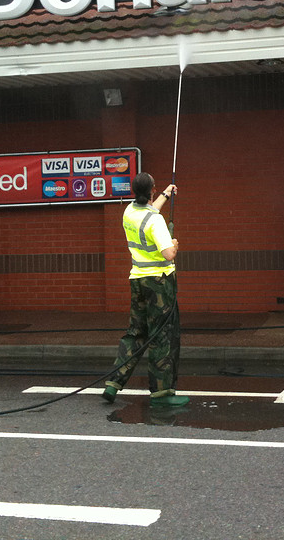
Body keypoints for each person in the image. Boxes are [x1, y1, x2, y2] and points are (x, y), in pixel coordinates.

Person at [103, 172, 188, 407]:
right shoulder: (156, 221)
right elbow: (168, 253)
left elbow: (148, 214)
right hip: (159, 284)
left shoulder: (129, 212)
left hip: (137, 280)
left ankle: (114, 383)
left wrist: (164, 195)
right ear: (151, 190)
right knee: (163, 336)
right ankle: (162, 393)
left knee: (135, 333)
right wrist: (173, 244)